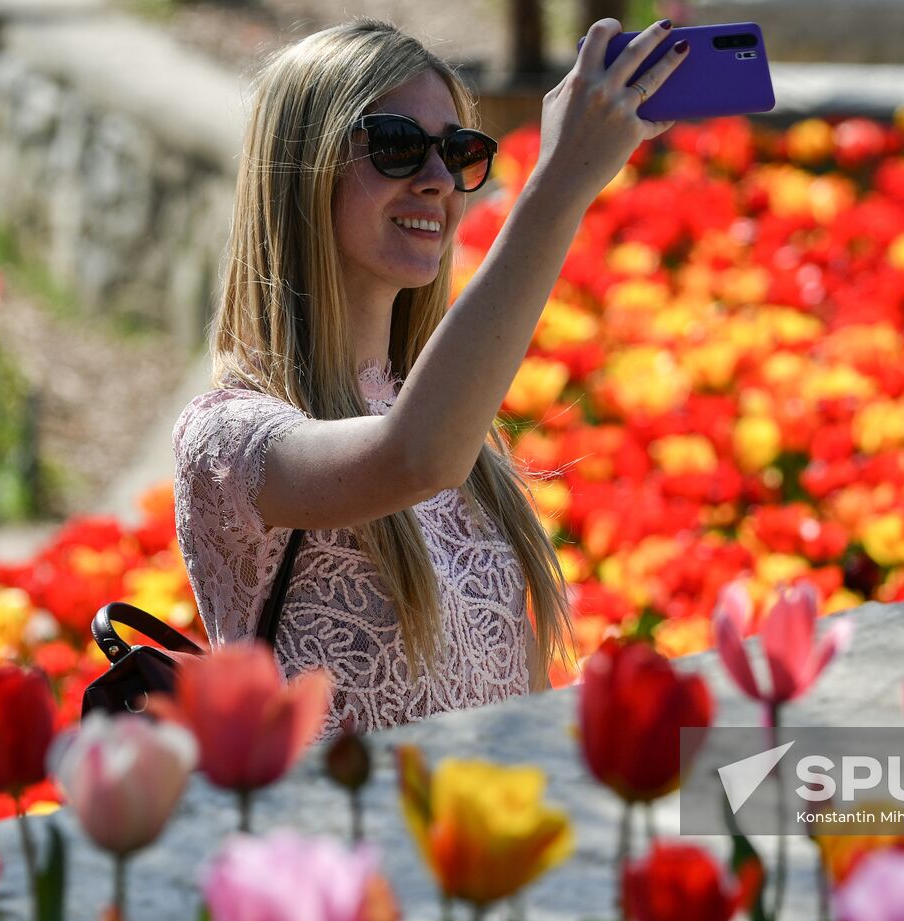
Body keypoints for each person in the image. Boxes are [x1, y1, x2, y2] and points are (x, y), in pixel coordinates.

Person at [171, 15, 689, 739]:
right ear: (303, 166)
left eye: (458, 151)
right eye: (397, 146)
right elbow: (411, 457)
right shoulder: (225, 438)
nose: (440, 181)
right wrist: (562, 179)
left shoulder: (447, 422)